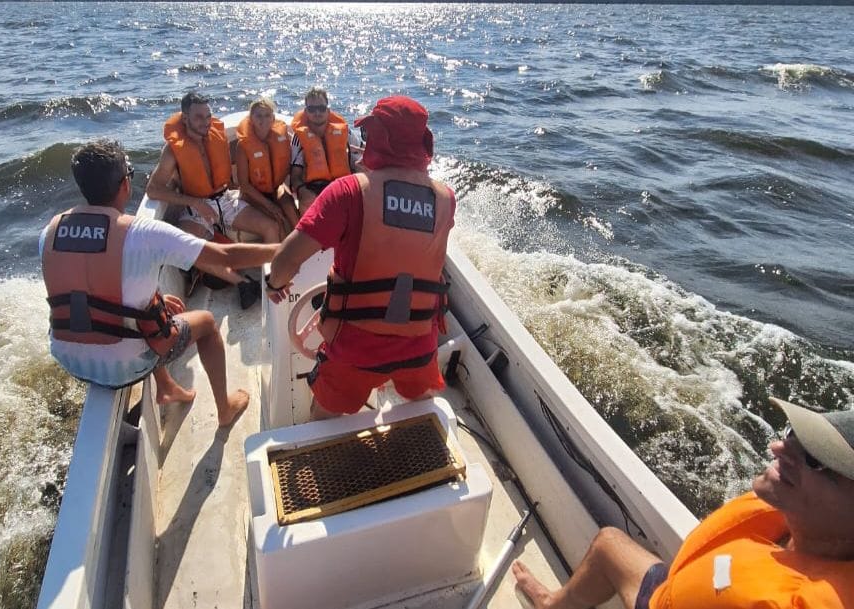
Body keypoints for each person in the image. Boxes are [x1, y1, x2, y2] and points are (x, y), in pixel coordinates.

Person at [512, 396, 854, 609]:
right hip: (669, 596)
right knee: (608, 545)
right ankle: (552, 604)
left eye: (815, 458)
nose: (778, 448)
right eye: (793, 435)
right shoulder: (795, 520)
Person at [41, 140, 277, 426]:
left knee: (154, 310)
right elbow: (225, 255)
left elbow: (92, 285)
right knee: (205, 323)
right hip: (125, 365)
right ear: (125, 184)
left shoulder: (51, 230)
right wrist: (286, 250)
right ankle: (225, 409)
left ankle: (167, 387)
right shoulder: (143, 233)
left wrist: (158, 301)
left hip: (68, 357)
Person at [267, 95, 455, 420]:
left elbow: (287, 258)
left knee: (322, 418)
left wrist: (274, 284)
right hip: (419, 344)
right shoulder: (445, 198)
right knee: (421, 406)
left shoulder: (348, 192)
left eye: (368, 134)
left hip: (355, 348)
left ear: (380, 138)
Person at [145, 91, 276, 309]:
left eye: (208, 116)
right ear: (185, 118)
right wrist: (194, 202)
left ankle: (272, 282)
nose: (205, 122)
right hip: (196, 207)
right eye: (198, 117)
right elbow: (153, 190)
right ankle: (244, 283)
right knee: (185, 246)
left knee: (270, 227)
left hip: (225, 199)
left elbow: (244, 150)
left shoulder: (217, 135)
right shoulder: (172, 150)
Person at [288, 87, 363, 213]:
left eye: (321, 108)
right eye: (312, 109)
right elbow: (295, 176)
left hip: (343, 186)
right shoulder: (299, 138)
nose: (317, 113)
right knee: (307, 201)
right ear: (306, 112)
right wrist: (302, 191)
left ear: (328, 110)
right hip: (314, 189)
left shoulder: (345, 132)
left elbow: (360, 156)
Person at [235, 98, 298, 236]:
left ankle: (303, 247)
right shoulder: (243, 145)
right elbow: (244, 185)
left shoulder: (282, 137)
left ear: (273, 118)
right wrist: (269, 205)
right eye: (258, 116)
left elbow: (291, 165)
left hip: (276, 188)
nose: (263, 119)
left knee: (294, 215)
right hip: (253, 194)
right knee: (279, 220)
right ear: (251, 119)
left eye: (267, 115)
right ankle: (282, 249)